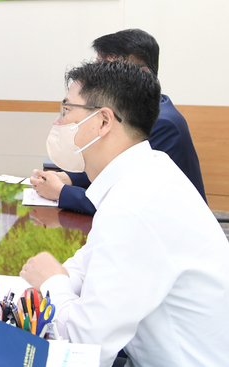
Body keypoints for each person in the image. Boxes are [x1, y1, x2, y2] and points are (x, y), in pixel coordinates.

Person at [20, 61, 229, 367]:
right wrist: (61, 275)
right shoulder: (148, 168)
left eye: (66, 111)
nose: (58, 121)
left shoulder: (133, 207)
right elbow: (94, 261)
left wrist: (52, 283)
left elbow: (85, 347)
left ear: (103, 121)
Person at [32, 29, 205, 214]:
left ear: (142, 74)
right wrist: (69, 177)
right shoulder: (140, 110)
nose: (96, 77)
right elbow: (114, 167)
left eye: (108, 68)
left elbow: (123, 198)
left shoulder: (160, 123)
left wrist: (61, 192)